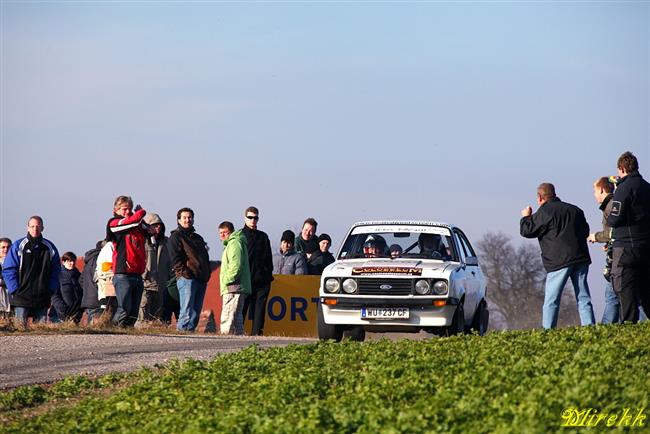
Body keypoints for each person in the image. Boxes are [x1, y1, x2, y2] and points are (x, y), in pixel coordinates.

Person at [520, 183, 596, 329]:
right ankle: (590, 328)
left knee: (552, 299)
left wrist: (526, 217)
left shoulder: (544, 212)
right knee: (583, 296)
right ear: (554, 194)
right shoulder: (575, 210)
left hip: (558, 261)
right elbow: (585, 231)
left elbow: (527, 231)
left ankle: (548, 331)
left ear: (540, 197)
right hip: (580, 258)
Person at [606, 151, 650, 323]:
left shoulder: (623, 189)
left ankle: (629, 326)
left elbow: (615, 218)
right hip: (646, 246)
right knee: (646, 290)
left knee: (624, 289)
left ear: (622, 168)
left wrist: (609, 218)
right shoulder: (647, 187)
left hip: (626, 248)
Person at [2, 216, 61, 328]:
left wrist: (50, 289)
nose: (35, 229)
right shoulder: (18, 246)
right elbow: (9, 269)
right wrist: (15, 290)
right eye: (32, 226)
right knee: (20, 330)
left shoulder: (49, 247)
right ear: (27, 228)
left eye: (38, 226)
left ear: (42, 228)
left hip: (42, 297)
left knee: (41, 331)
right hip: (21, 297)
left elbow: (56, 270)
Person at [106, 196, 148, 327]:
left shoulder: (135, 224)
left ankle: (127, 333)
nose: (128, 212)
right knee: (124, 308)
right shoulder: (114, 223)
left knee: (134, 312)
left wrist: (142, 221)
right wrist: (141, 212)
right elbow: (133, 221)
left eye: (130, 209)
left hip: (137, 273)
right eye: (124, 209)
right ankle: (112, 329)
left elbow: (148, 230)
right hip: (123, 273)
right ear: (116, 209)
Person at [168, 207, 211, 332]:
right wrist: (185, 274)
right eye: (185, 217)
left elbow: (205, 257)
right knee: (186, 311)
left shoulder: (198, 238)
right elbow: (175, 259)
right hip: (187, 279)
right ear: (179, 220)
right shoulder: (176, 237)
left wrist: (206, 273)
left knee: (195, 312)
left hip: (201, 279)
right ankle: (181, 335)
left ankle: (190, 335)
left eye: (190, 217)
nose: (188, 220)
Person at [587, 177, 619, 324]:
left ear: (601, 189)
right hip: (619, 252)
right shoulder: (613, 204)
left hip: (618, 259)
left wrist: (596, 236)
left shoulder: (610, 206)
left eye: (594, 191)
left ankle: (606, 327)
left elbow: (611, 233)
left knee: (611, 295)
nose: (594, 194)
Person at [240, 206, 274, 336]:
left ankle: (257, 334)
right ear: (245, 218)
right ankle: (237, 333)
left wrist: (267, 275)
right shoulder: (239, 235)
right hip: (245, 280)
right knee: (242, 308)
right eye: (250, 217)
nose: (253, 220)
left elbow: (268, 258)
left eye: (255, 218)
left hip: (261, 280)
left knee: (260, 310)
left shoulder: (263, 237)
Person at [218, 221, 251, 335]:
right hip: (237, 286)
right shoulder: (236, 243)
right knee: (237, 317)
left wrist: (226, 280)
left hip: (233, 287)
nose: (222, 235)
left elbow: (235, 266)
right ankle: (238, 342)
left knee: (228, 316)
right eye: (220, 233)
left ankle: (225, 342)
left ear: (230, 232)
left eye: (224, 232)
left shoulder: (234, 244)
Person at [138, 212, 170, 325]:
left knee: (156, 315)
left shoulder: (165, 242)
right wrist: (143, 274)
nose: (158, 228)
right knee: (142, 311)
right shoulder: (141, 240)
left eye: (159, 225)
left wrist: (167, 275)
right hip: (145, 282)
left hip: (160, 284)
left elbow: (169, 262)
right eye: (154, 225)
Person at [51, 252, 83, 324]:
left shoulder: (79, 276)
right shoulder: (58, 275)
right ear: (63, 262)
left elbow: (81, 294)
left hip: (75, 315)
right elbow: (54, 294)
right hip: (58, 315)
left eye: (73, 261)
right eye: (69, 261)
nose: (72, 263)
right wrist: (62, 308)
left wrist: (80, 310)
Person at [80, 240, 104, 324]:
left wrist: (88, 290)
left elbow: (81, 280)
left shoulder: (89, 260)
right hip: (96, 299)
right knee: (96, 326)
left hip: (89, 298)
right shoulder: (100, 259)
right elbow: (99, 279)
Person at [0, 238, 13, 318]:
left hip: (11, 299)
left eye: (8, 247)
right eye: (3, 247)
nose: (6, 249)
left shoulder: (16, 263)